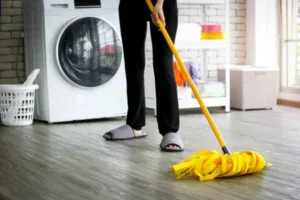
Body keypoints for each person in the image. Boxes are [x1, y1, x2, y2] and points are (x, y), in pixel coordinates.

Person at [103, 0, 184, 152]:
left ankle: (170, 130)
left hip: (163, 4)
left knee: (163, 63)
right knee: (133, 62)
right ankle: (134, 125)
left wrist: (159, 4)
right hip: (131, 4)